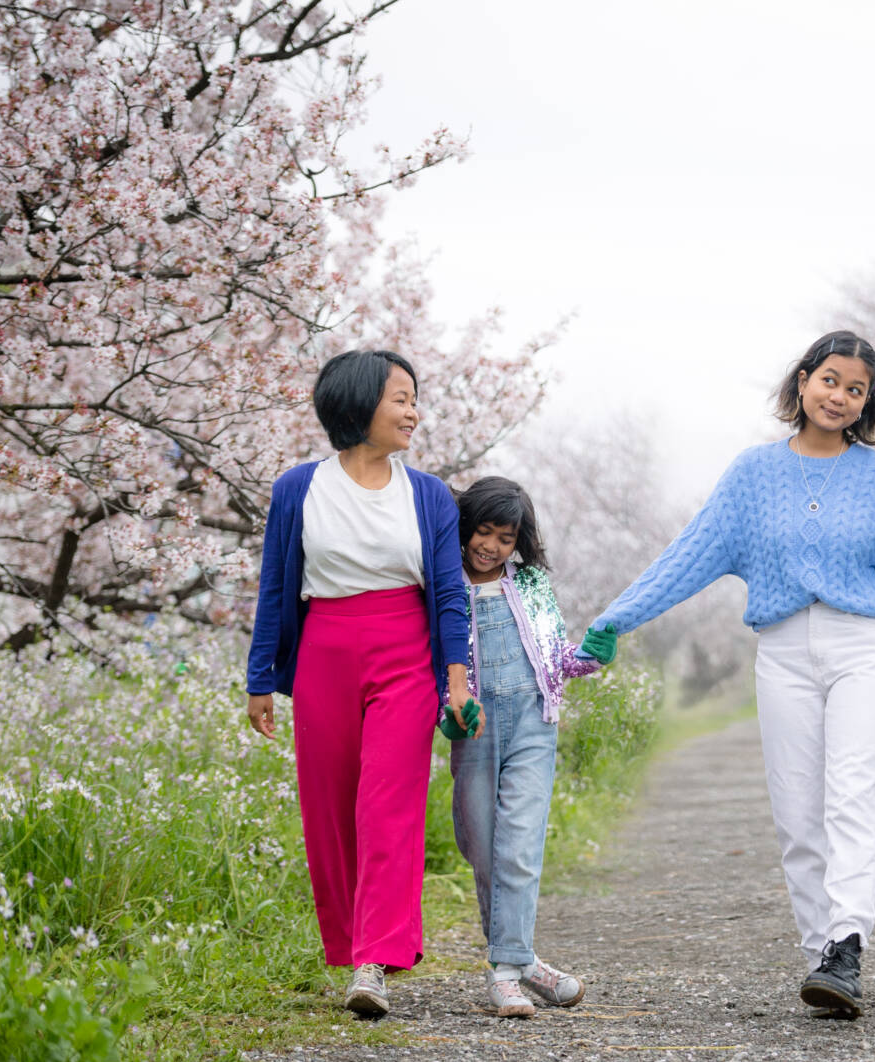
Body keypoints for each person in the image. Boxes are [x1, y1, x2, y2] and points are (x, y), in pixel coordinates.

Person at [576, 331, 875, 1019]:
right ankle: (821, 958)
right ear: (802, 381)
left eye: (856, 389)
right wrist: (614, 618)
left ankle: (848, 943)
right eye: (830, 380)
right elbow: (689, 555)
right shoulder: (752, 474)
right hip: (785, 650)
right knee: (798, 811)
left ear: (867, 403)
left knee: (851, 796)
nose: (840, 397)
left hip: (863, 646)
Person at [245, 349, 480, 1019]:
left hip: (405, 654)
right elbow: (276, 586)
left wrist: (456, 682)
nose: (414, 412)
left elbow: (447, 597)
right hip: (324, 651)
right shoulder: (298, 488)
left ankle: (372, 961)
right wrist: (260, 676)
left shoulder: (428, 495)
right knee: (330, 808)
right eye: (401, 398)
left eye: (414, 398)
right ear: (359, 404)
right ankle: (353, 946)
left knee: (386, 805)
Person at [445, 475, 605, 1017]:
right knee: (482, 845)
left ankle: (506, 973)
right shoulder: (443, 584)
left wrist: (595, 651)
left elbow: (558, 657)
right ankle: (523, 961)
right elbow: (431, 662)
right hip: (475, 728)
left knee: (519, 845)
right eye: (482, 532)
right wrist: (445, 712)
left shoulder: (530, 583)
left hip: (534, 723)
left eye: (505, 538)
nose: (491, 546)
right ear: (464, 528)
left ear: (520, 542)